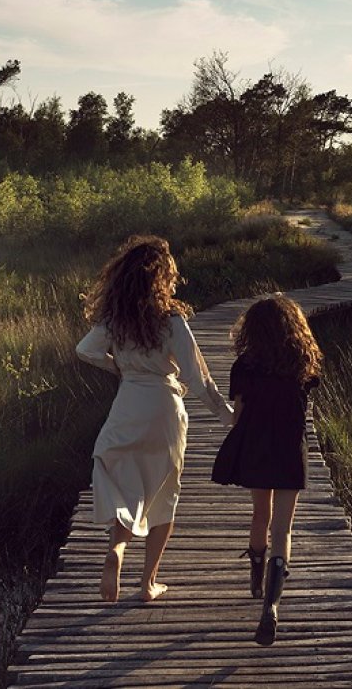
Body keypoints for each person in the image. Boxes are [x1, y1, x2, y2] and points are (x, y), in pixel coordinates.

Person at [76, 235, 234, 602]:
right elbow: (198, 379)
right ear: (163, 278)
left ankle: (116, 550)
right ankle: (148, 584)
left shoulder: (115, 321)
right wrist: (227, 416)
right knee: (163, 496)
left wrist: (117, 366)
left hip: (128, 404)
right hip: (164, 409)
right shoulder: (170, 321)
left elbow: (85, 350)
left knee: (122, 484)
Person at [210, 294, 323, 645]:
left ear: (252, 329)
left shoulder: (245, 365)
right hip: (291, 449)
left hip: (258, 449)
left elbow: (238, 414)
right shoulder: (303, 361)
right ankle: (272, 607)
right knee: (283, 530)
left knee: (261, 516)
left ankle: (256, 578)